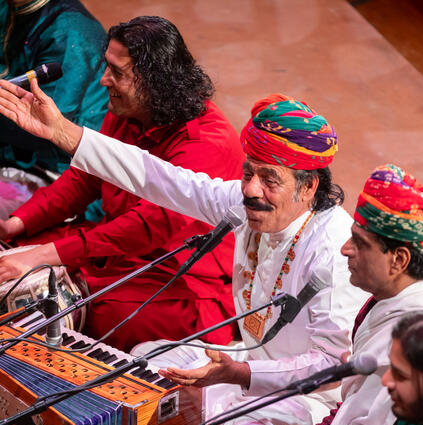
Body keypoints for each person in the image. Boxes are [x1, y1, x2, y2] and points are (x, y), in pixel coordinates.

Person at [0, 84, 370, 425]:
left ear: (308, 187)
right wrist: (64, 132)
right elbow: (162, 180)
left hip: (307, 397)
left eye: (269, 179)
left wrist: (239, 374)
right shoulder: (247, 205)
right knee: (145, 364)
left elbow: (330, 365)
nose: (251, 190)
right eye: (248, 174)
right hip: (247, 362)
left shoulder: (335, 251)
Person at [0, 16, 244, 351]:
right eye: (107, 67)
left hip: (180, 276)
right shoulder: (127, 111)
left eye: (117, 72)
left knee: (97, 312)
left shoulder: (206, 142)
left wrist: (48, 254)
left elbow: (144, 228)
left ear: (155, 82)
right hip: (113, 249)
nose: (104, 80)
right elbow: (85, 179)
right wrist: (17, 223)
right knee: (15, 251)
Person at [223, 164, 423, 425]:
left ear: (399, 260)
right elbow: (348, 414)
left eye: (359, 243)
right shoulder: (382, 303)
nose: (345, 250)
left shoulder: (417, 338)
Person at [0, 0, 108, 220]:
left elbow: (42, 128)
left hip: (60, 176)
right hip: (12, 155)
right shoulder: (9, 7)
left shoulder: (69, 30)